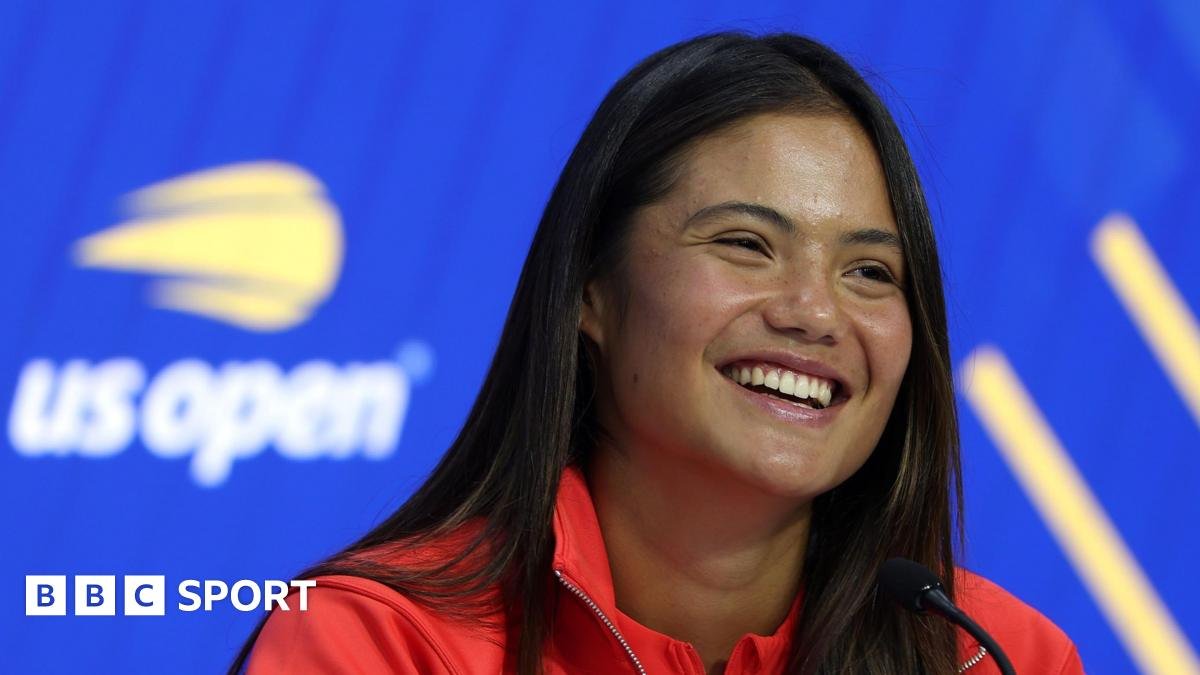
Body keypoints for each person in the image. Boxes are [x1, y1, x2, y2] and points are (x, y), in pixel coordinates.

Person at [232, 32, 1084, 674]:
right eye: (747, 244)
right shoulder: (384, 641)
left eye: (869, 271)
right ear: (590, 289)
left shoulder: (994, 656)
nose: (816, 312)